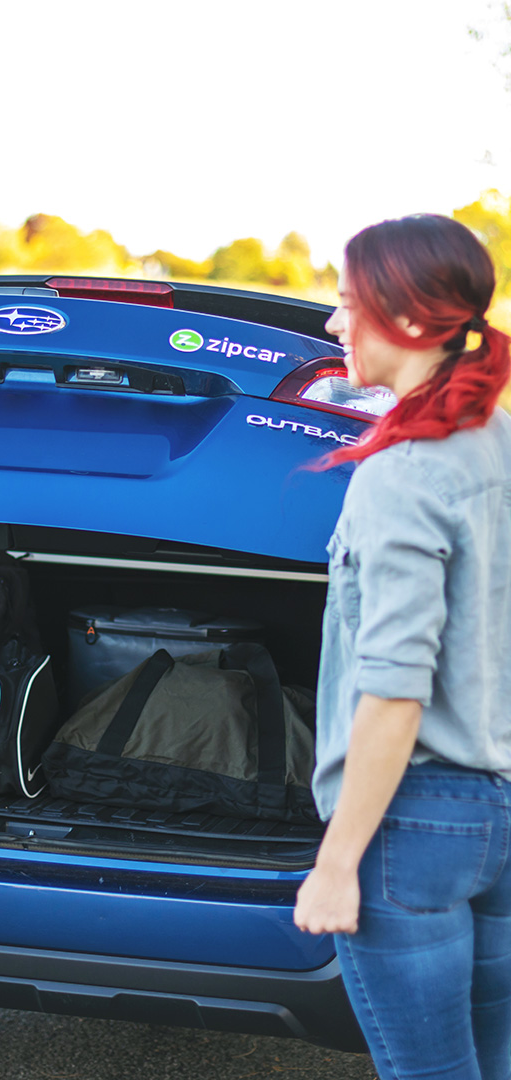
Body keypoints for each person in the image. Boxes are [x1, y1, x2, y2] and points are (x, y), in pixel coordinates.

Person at [293, 214, 511, 1080]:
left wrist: (336, 863)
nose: (333, 323)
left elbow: (393, 688)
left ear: (413, 321)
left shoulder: (401, 476)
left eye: (348, 304)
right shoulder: (500, 444)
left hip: (411, 825)